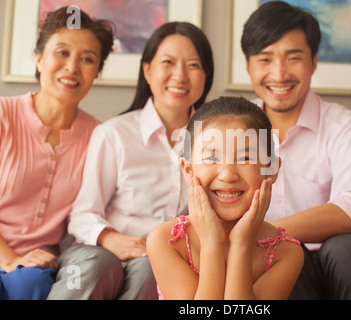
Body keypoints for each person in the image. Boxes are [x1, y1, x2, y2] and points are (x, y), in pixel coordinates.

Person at [47, 22, 214, 300]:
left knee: (153, 268)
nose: (180, 75)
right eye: (168, 62)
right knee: (99, 265)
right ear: (147, 70)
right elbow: (83, 213)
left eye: (193, 65)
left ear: (206, 75)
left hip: (165, 259)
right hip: (100, 251)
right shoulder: (114, 134)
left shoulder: (215, 141)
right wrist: (110, 239)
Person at [241, 1, 351, 299]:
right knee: (280, 257)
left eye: (293, 58)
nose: (279, 73)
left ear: (314, 61)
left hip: (337, 263)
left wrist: (266, 231)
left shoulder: (346, 125)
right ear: (249, 66)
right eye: (265, 59)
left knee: (349, 247)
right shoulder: (232, 131)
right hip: (272, 264)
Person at [0, 7, 114, 300]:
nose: (72, 67)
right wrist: (10, 259)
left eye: (87, 59)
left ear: (96, 72)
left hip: (40, 269)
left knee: (30, 285)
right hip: (8, 259)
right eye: (61, 52)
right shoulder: (3, 115)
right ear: (39, 58)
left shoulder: (100, 136)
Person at [147, 96, 304, 300]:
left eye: (245, 158)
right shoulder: (166, 240)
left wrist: (241, 244)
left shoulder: (285, 252)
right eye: (211, 158)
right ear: (187, 169)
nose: (228, 175)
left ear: (271, 169)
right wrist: (211, 242)